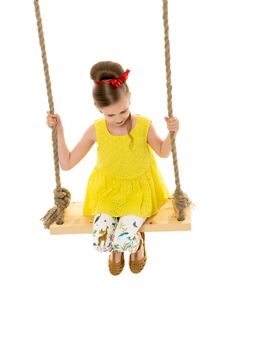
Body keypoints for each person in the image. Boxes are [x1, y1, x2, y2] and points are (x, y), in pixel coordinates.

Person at [46, 60, 179, 276]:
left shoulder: (143, 125)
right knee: (100, 242)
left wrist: (172, 133)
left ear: (129, 99)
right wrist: (58, 129)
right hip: (106, 192)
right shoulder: (96, 130)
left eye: (123, 111)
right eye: (110, 114)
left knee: (123, 239)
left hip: (138, 193)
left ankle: (136, 245)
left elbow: (163, 152)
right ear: (99, 109)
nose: (118, 119)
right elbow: (67, 162)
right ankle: (118, 246)